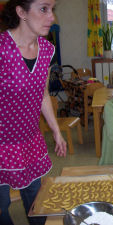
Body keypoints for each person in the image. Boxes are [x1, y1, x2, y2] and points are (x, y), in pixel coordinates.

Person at [0, 0, 67, 225]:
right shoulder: (1, 49)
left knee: (36, 202)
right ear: (21, 12)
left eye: (52, 10)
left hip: (30, 140)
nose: (52, 17)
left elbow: (43, 93)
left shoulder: (47, 49)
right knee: (1, 209)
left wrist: (56, 131)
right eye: (43, 9)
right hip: (1, 143)